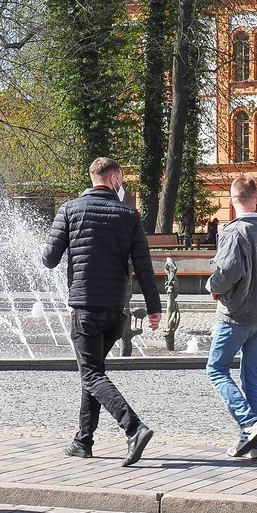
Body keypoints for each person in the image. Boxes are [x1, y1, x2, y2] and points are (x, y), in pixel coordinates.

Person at [42, 157, 162, 466]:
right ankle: (83, 441)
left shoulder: (70, 209)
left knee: (91, 372)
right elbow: (144, 266)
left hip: (86, 306)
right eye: (121, 179)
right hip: (116, 310)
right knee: (92, 371)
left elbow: (48, 259)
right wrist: (153, 308)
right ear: (114, 179)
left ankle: (134, 428)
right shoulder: (129, 214)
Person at [205, 177, 257, 460]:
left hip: (237, 315)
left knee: (216, 369)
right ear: (256, 198)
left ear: (232, 201)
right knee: (252, 377)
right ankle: (255, 445)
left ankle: (249, 424)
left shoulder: (233, 232)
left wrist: (212, 287)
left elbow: (228, 272)